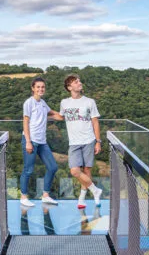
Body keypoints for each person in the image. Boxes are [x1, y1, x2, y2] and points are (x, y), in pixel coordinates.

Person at [60, 74, 103, 209]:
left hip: (89, 140)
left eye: (79, 80)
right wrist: (44, 112)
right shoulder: (64, 103)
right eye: (75, 82)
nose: (79, 83)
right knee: (74, 171)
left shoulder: (89, 102)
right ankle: (95, 190)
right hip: (73, 142)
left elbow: (95, 122)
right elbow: (61, 116)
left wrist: (98, 141)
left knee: (87, 170)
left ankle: (82, 198)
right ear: (69, 87)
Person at [20, 77, 63, 207]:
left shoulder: (43, 103)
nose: (41, 89)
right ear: (33, 88)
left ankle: (45, 195)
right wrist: (28, 142)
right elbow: (25, 122)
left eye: (42, 87)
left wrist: (66, 114)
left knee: (53, 167)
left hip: (42, 142)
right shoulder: (29, 103)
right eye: (38, 87)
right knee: (28, 170)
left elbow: (52, 113)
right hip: (31, 140)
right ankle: (23, 197)